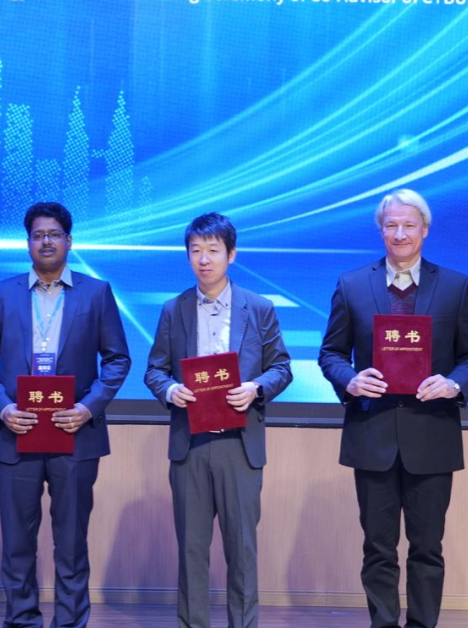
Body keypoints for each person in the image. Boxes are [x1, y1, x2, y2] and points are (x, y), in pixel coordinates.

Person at [317, 189, 468, 628]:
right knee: (378, 548)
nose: (400, 234)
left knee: (427, 547)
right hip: (372, 433)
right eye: (391, 225)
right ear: (380, 230)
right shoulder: (352, 284)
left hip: (432, 435)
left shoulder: (454, 286)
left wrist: (453, 383)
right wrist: (350, 379)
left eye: (408, 225)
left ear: (425, 230)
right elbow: (331, 354)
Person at [0, 201, 131, 628]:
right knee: (17, 543)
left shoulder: (96, 293)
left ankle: (71, 622)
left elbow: (117, 360)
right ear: (28, 243)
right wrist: (3, 408)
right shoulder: (2, 293)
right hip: (14, 434)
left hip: (74, 434)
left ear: (69, 241)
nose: (46, 242)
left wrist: (87, 408)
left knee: (71, 542)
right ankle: (22, 620)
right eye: (38, 235)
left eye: (54, 234)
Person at [144, 212, 292, 628]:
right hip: (190, 444)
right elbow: (154, 370)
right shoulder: (174, 310)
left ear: (231, 254)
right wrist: (170, 390)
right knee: (191, 549)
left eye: (213, 250)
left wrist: (256, 388)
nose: (204, 259)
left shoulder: (259, 308)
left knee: (242, 549)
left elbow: (281, 368)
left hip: (239, 445)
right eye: (196, 251)